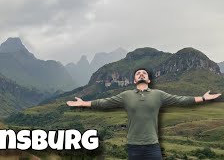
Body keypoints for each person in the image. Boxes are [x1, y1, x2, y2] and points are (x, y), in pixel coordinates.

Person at [66, 68, 222, 160]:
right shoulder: (126, 95)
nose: (141, 74)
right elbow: (104, 102)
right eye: (138, 73)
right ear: (134, 80)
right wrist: (83, 103)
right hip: (133, 146)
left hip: (153, 146)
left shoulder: (158, 94)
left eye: (144, 73)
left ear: (148, 80)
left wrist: (202, 98)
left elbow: (180, 100)